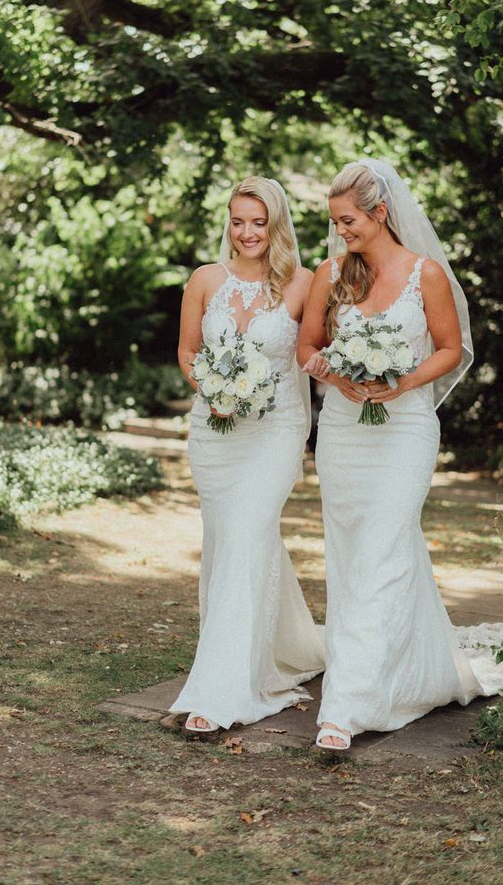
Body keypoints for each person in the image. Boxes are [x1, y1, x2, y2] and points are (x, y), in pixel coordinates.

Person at [297, 158, 503, 752]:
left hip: (406, 429)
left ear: (380, 212)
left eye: (349, 221)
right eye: (336, 223)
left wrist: (404, 380)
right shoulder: (331, 274)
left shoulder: (427, 275)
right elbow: (307, 347)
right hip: (344, 429)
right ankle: (404, 669)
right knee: (353, 554)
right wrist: (336, 375)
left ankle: (347, 706)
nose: (341, 232)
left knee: (384, 547)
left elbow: (450, 348)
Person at [170, 176, 324, 733]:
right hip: (213, 433)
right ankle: (273, 647)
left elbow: (313, 353)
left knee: (245, 534)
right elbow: (189, 352)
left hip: (277, 430)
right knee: (230, 540)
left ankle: (222, 690)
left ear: (277, 224)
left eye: (258, 222)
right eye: (238, 221)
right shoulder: (205, 280)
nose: (247, 232)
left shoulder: (305, 283)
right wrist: (211, 390)